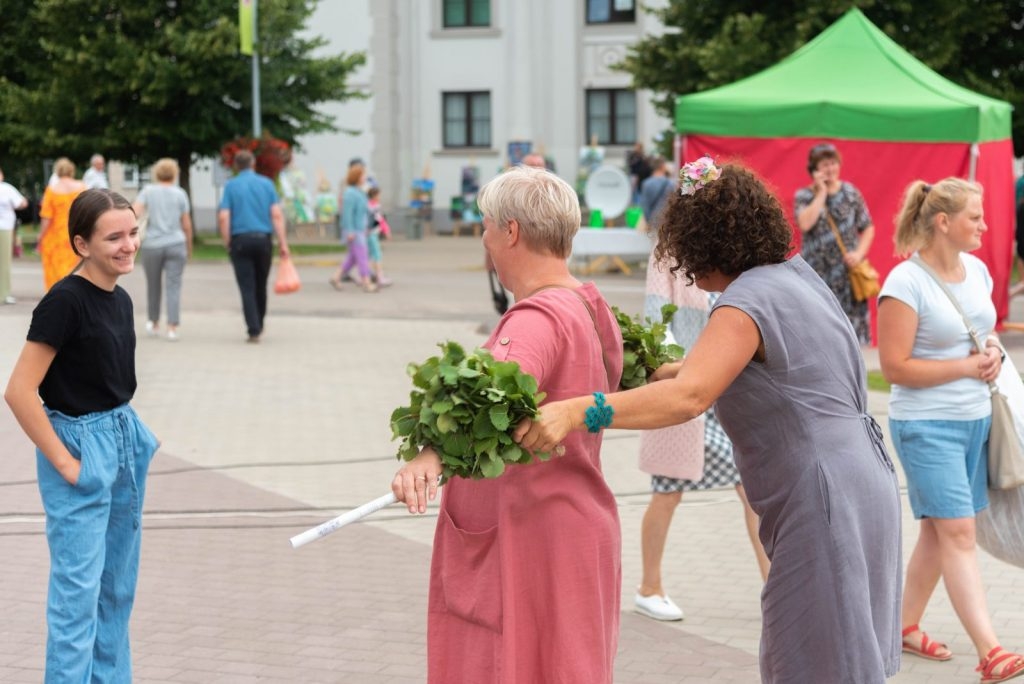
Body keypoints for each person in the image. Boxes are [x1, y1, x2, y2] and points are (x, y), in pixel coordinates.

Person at [516, 159, 902, 684]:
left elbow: (690, 396)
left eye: (690, 257)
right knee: (844, 649)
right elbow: (718, 371)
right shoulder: (796, 278)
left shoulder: (745, 303)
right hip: (864, 480)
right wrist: (646, 370)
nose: (690, 275)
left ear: (710, 243)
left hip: (822, 494)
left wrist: (579, 409)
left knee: (813, 658)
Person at [391, 165, 625, 683]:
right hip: (580, 527)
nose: (484, 238)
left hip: (531, 538)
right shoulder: (590, 305)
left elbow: (486, 394)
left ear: (511, 232)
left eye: (487, 225)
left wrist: (429, 451)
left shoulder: (534, 319)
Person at [4, 188, 161, 682]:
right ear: (80, 244)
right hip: (79, 444)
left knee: (115, 592)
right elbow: (19, 391)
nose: (127, 245)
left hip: (121, 437)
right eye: (113, 237)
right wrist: (67, 463)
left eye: (132, 232)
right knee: (78, 600)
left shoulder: (120, 296)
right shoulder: (64, 302)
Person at [877, 177, 1024, 682]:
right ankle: (991, 651)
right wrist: (965, 367)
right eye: (975, 218)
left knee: (938, 534)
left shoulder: (978, 270)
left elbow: (986, 334)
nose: (985, 226)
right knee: (959, 532)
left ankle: (901, 627)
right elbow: (894, 368)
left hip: (978, 421)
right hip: (926, 427)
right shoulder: (905, 284)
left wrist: (992, 353)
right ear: (943, 222)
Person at [794, 143, 875, 344]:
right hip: (817, 275)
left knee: (851, 335)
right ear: (814, 170)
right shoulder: (805, 196)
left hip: (848, 275)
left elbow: (868, 227)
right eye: (824, 165)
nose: (830, 169)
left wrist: (858, 254)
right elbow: (805, 223)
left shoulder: (850, 193)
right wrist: (821, 192)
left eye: (833, 163)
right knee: (818, 331)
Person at [217, 149, 290, 343]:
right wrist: (283, 242)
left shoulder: (231, 186)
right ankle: (260, 321)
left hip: (240, 240)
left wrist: (228, 242)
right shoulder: (267, 184)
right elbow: (276, 214)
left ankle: (253, 329)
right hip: (263, 240)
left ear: (236, 166)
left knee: (246, 286)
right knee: (260, 284)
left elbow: (224, 216)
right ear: (253, 164)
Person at [132, 158, 193, 341]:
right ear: (174, 174)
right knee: (173, 286)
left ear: (156, 173)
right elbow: (186, 224)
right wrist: (188, 246)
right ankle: (172, 327)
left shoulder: (148, 191)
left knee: (153, 284)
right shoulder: (180, 193)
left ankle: (153, 322)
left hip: (152, 245)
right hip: (176, 243)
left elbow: (134, 211)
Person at [39, 157, 87, 291]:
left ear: (57, 171)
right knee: (75, 267)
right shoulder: (81, 187)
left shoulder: (52, 190)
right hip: (76, 232)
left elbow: (46, 217)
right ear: (72, 170)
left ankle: (57, 294)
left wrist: (41, 236)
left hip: (55, 237)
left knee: (55, 268)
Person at [329, 164, 377, 293]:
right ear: (357, 177)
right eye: (363, 175)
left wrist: (366, 227)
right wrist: (350, 231)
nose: (365, 177)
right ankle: (366, 282)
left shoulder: (360, 192)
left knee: (353, 257)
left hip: (360, 229)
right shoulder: (350, 193)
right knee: (362, 257)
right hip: (354, 231)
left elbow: (363, 213)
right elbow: (347, 214)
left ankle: (336, 277)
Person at [0, 166, 28, 304]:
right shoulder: (6, 188)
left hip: (5, 227)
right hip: (4, 228)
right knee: (4, 262)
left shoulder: (6, 188)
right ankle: (3, 294)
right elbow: (22, 203)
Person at [366, 186, 392, 287]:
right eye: (378, 195)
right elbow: (380, 220)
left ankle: (367, 275)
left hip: (365, 234)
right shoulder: (375, 207)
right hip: (372, 233)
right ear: (374, 196)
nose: (380, 197)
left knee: (368, 255)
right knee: (377, 255)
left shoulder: (366, 205)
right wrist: (387, 231)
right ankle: (379, 277)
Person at [638, 157, 673, 230]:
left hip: (652, 221)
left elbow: (645, 205)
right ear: (662, 166)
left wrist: (648, 221)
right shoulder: (670, 183)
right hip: (666, 221)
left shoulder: (646, 183)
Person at [1012, 172, 1024, 297]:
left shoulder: (1019, 181)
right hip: (1020, 212)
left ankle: (1022, 280)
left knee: (1021, 251)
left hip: (1018, 212)